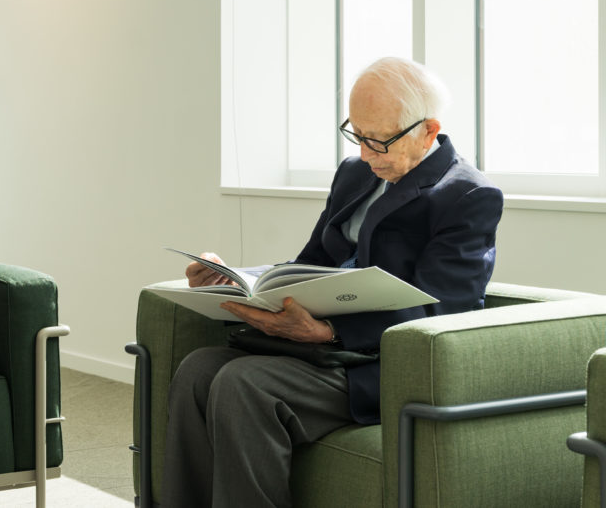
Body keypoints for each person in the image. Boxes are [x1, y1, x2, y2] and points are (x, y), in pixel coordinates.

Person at [162, 57, 504, 507]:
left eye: (379, 141)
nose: (365, 153)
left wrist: (331, 331)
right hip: (319, 351)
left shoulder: (467, 195)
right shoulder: (354, 174)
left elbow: (443, 309)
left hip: (378, 363)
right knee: (197, 369)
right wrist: (236, 281)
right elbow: (312, 264)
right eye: (357, 134)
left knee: (245, 383)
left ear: (428, 129)